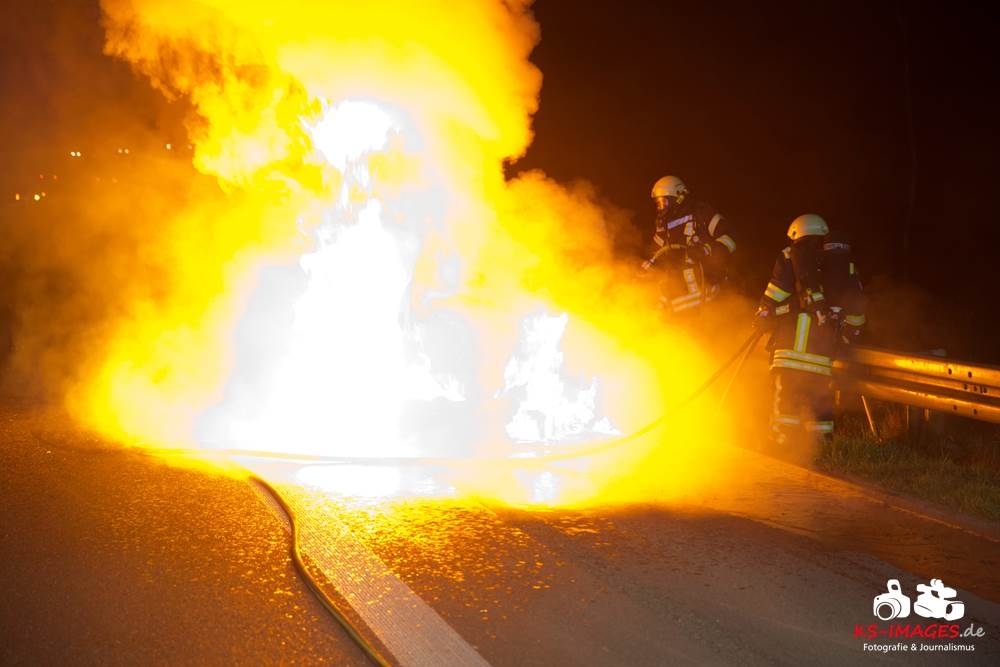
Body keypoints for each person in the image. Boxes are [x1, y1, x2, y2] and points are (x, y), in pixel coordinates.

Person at [753, 214, 866, 448]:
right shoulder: (843, 265)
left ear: (796, 234)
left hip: (789, 352)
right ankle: (822, 448)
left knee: (786, 404)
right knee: (820, 404)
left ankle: (783, 447)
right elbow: (857, 310)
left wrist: (763, 315)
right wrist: (847, 337)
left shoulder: (789, 257)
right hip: (821, 356)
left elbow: (774, 296)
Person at [640, 175, 736, 316]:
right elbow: (656, 252)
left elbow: (730, 237)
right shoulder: (664, 223)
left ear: (678, 197)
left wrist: (706, 250)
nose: (660, 208)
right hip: (680, 287)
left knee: (667, 313)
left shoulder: (701, 213)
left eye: (663, 202)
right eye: (658, 204)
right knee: (655, 309)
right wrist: (641, 268)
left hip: (707, 285)